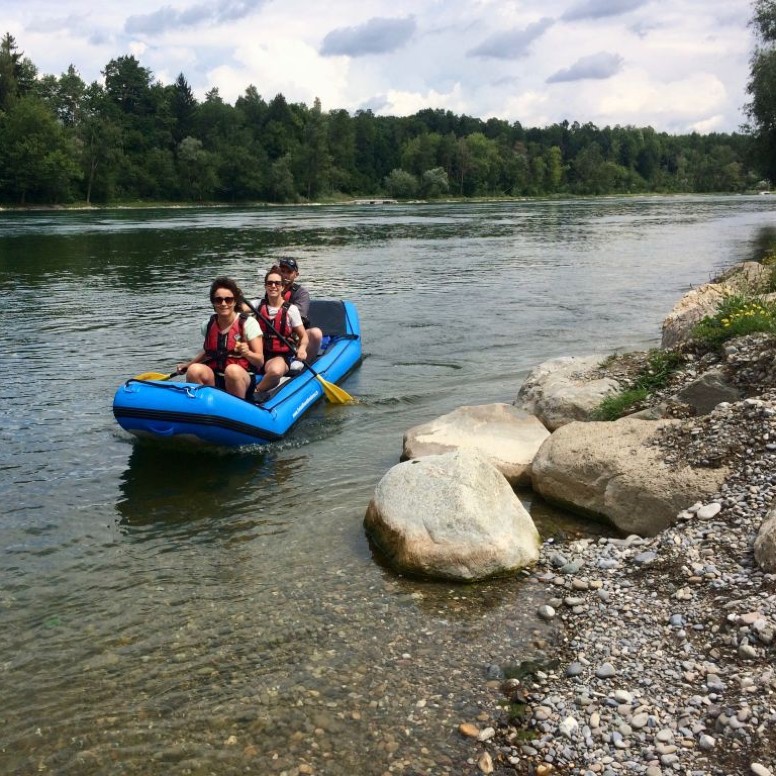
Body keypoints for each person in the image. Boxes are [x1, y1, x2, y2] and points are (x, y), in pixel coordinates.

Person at [177, 276, 264, 399]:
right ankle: (203, 408)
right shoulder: (208, 324)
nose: (223, 304)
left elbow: (259, 361)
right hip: (216, 376)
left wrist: (247, 352)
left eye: (228, 300)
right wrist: (189, 364)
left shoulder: (248, 324)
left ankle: (238, 408)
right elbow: (209, 351)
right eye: (218, 300)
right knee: (194, 370)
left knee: (232, 370)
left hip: (241, 378)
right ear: (213, 302)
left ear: (234, 302)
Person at [252, 267, 309, 399]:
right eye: (270, 283)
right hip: (258, 353)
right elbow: (236, 307)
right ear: (265, 286)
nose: (273, 286)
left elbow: (303, 336)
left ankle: (256, 391)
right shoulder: (256, 304)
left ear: (282, 287)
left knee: (276, 371)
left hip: (280, 356)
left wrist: (302, 349)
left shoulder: (291, 310)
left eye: (277, 283)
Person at [276, 256, 324, 362]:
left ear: (296, 275)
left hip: (294, 334)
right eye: (282, 271)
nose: (284, 275)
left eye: (289, 272)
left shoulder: (302, 293)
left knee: (316, 333)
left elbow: (298, 318)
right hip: (273, 332)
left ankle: (304, 365)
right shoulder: (273, 288)